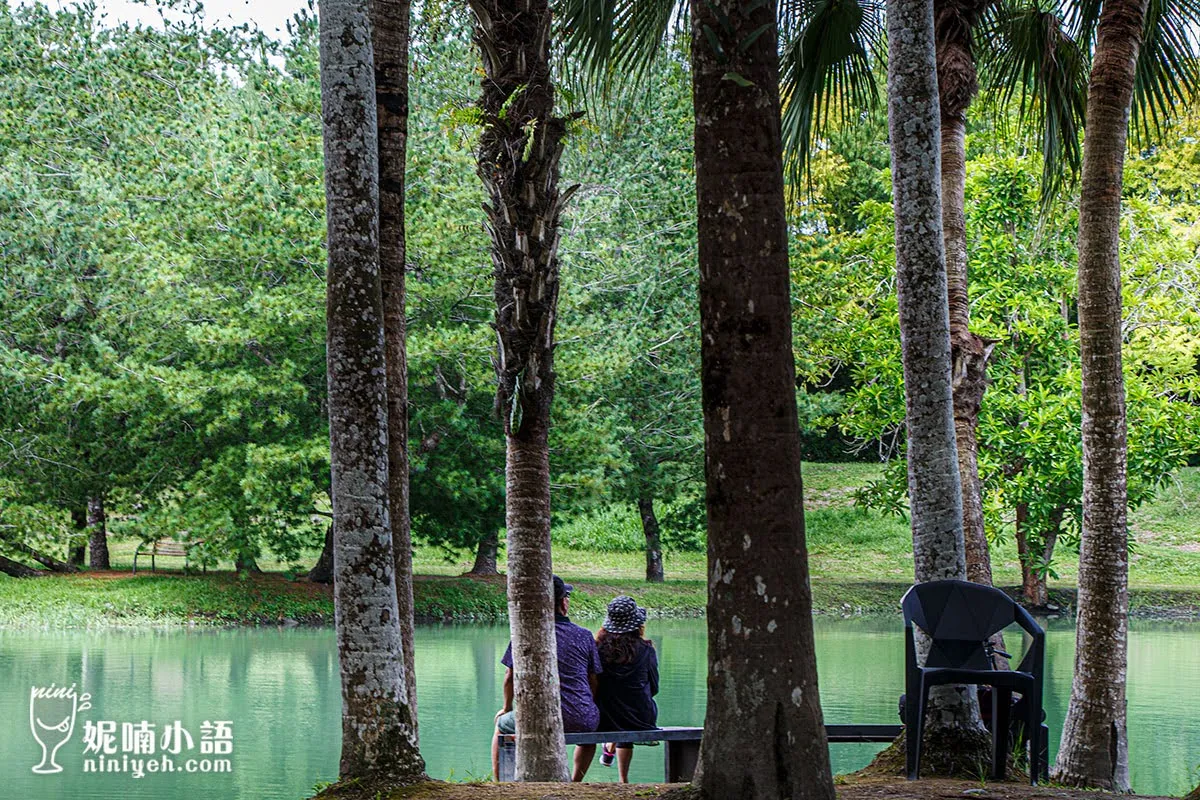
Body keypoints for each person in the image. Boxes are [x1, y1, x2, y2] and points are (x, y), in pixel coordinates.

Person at [491, 575, 602, 782]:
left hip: (540, 717)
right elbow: (593, 679)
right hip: (582, 716)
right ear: (562, 602)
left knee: (502, 725)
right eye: (567, 597)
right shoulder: (584, 635)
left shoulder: (525, 633)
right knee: (588, 731)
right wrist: (586, 704)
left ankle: (500, 783)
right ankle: (575, 783)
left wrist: (506, 707)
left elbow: (509, 677)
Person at [594, 595, 659, 783]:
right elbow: (653, 687)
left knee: (617, 706)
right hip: (640, 716)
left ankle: (607, 750)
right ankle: (623, 779)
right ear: (637, 624)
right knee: (630, 704)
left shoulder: (597, 649)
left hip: (603, 716)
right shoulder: (646, 650)